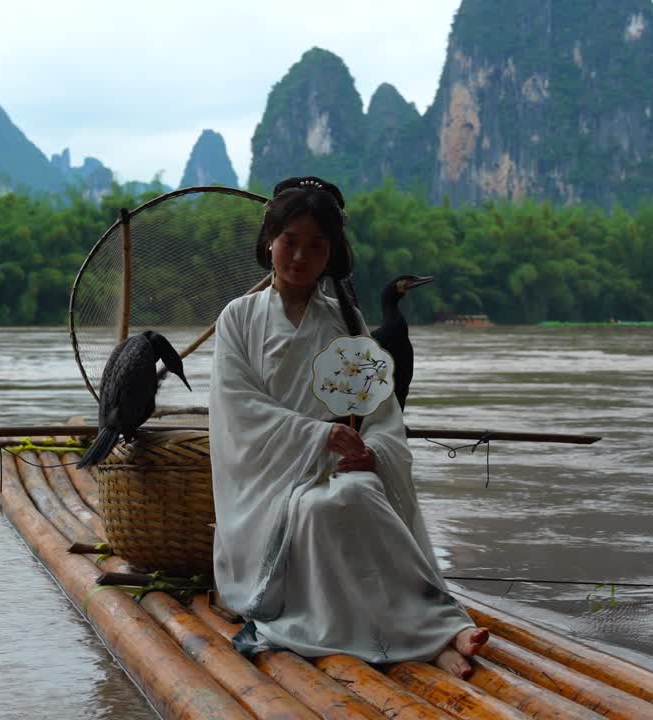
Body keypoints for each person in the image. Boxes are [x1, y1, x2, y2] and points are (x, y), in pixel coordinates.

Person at [209, 176, 489, 676]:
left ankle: (440, 628)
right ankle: (430, 642)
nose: (300, 255)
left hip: (337, 466)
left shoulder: (347, 322)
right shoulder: (239, 319)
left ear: (332, 252)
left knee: (357, 493)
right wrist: (318, 434)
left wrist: (373, 452)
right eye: (290, 241)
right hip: (269, 487)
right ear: (269, 241)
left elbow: (383, 415)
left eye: (317, 245)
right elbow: (238, 411)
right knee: (322, 507)